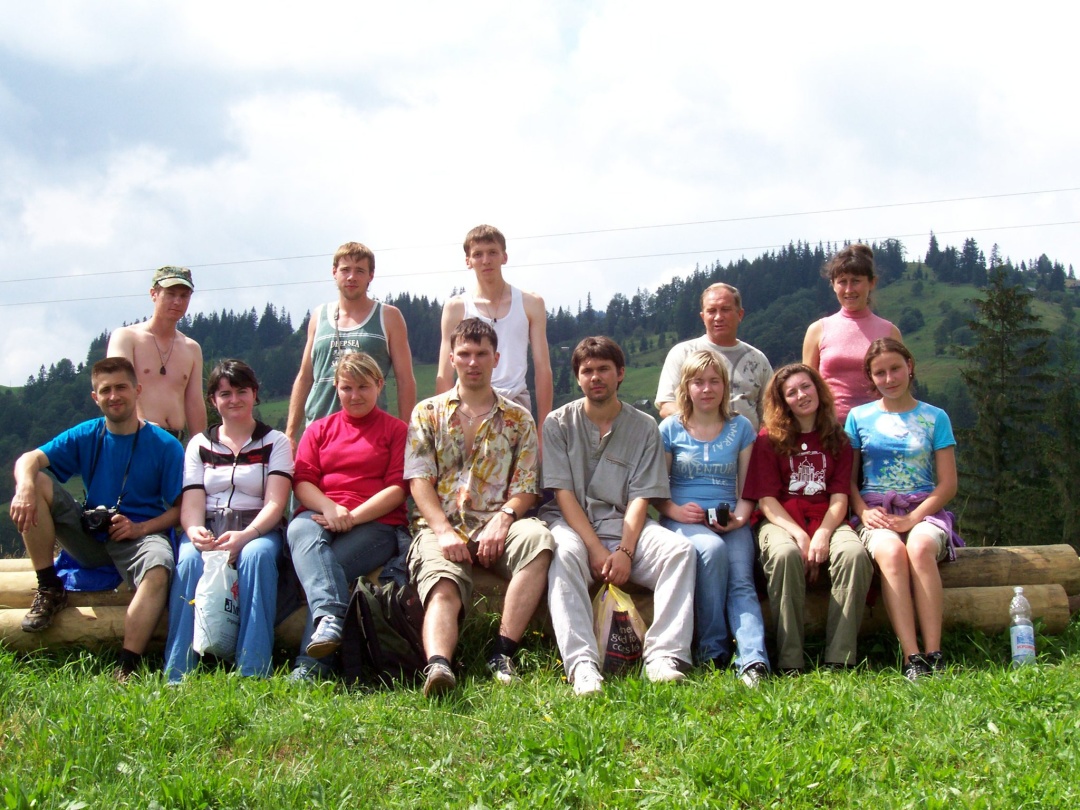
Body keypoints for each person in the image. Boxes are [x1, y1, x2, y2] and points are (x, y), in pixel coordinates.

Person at [8, 357, 182, 680]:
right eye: (106, 390)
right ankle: (49, 588)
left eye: (121, 388)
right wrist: (25, 486)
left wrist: (140, 527)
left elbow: (181, 509)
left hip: (140, 537)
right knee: (37, 484)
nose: (114, 396)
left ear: (137, 390)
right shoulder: (87, 434)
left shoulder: (166, 446)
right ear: (95, 397)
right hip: (92, 535)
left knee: (159, 568)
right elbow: (28, 459)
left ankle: (127, 666)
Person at [407, 318, 554, 697]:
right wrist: (441, 530)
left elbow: (526, 489)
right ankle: (439, 666)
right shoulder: (428, 412)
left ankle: (502, 652)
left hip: (497, 522)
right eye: (465, 354)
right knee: (442, 581)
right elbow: (418, 480)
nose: (473, 362)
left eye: (482, 354)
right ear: (453, 358)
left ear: (496, 358)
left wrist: (504, 520)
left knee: (539, 540)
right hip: (439, 524)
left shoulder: (519, 418)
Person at [542, 336, 695, 696]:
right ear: (578, 378)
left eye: (604, 369)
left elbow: (643, 496)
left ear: (620, 374)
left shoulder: (643, 427)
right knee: (563, 554)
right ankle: (582, 665)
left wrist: (625, 551)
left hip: (625, 524)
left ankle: (663, 657)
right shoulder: (558, 423)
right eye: (587, 371)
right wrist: (595, 550)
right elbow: (562, 494)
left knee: (680, 552)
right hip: (571, 523)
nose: (596, 377)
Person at [164, 360, 293, 682]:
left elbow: (276, 502)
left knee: (257, 557)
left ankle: (253, 668)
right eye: (225, 393)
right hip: (209, 525)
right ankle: (178, 672)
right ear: (213, 400)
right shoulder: (199, 444)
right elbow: (192, 500)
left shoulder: (275, 442)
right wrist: (194, 531)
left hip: (259, 527)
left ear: (255, 395)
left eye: (241, 391)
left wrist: (246, 535)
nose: (234, 399)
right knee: (189, 561)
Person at [845, 338, 962, 681]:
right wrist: (863, 511)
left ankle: (935, 652)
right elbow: (848, 480)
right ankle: (912, 657)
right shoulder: (858, 417)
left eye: (895, 368)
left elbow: (948, 484)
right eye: (879, 372)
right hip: (876, 511)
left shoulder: (935, 417)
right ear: (871, 377)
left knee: (921, 546)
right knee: (892, 553)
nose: (889, 377)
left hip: (924, 509)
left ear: (909, 366)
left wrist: (914, 517)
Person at [743, 363, 872, 673]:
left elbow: (840, 498)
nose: (801, 395)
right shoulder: (767, 439)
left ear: (818, 389)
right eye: (791, 392)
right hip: (780, 520)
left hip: (827, 517)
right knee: (785, 554)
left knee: (854, 555)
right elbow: (767, 501)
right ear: (782, 401)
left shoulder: (837, 439)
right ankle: (790, 660)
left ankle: (839, 658)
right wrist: (800, 536)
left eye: (806, 387)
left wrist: (823, 535)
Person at [287, 352, 409, 679]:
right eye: (346, 388)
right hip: (321, 511)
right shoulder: (319, 430)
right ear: (336, 389)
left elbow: (398, 489)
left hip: (375, 523)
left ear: (379, 385)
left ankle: (311, 666)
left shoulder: (396, 431)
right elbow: (303, 481)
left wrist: (351, 517)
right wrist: (330, 508)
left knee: (328, 570)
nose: (354, 395)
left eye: (363, 387)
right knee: (299, 533)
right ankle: (328, 624)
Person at [654, 350, 770, 686]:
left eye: (714, 381)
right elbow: (657, 489)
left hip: (731, 517)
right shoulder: (670, 429)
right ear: (686, 387)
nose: (706, 389)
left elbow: (749, 487)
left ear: (725, 386)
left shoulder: (741, 427)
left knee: (741, 578)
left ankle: (753, 660)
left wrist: (740, 519)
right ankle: (713, 650)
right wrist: (674, 511)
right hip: (683, 518)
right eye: (698, 382)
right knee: (711, 552)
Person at [286, 241, 416, 451]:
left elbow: (405, 379)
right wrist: (290, 433)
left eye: (360, 271)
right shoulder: (319, 316)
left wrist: (408, 434)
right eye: (345, 270)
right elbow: (305, 376)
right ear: (334, 272)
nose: (351, 277)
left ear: (370, 276)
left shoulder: (388, 316)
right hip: (319, 428)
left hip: (369, 436)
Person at [436, 224, 553, 432]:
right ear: (468, 261)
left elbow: (543, 369)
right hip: (467, 405)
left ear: (504, 257)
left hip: (515, 404)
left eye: (492, 252)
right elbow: (444, 372)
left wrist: (544, 429)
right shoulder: (456, 308)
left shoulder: (531, 303)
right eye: (478, 254)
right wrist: (442, 424)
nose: (486, 260)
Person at [803, 244, 901, 422]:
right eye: (842, 281)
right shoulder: (817, 330)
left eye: (856, 281)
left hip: (878, 428)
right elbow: (806, 387)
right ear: (833, 284)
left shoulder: (890, 332)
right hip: (829, 430)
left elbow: (900, 386)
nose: (849, 289)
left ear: (872, 283)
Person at [107, 266, 206, 439]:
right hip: (132, 436)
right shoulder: (126, 338)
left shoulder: (191, 348)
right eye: (170, 294)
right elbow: (118, 386)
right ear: (154, 294)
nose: (177, 301)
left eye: (184, 296)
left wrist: (202, 449)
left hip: (173, 441)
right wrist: (139, 422)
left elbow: (195, 403)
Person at [655, 283, 772, 430]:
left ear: (740, 314)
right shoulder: (682, 353)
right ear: (703, 317)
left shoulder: (757, 360)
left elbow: (772, 411)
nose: (718, 317)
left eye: (725, 309)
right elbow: (667, 406)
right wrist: (708, 428)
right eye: (711, 311)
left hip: (749, 449)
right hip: (694, 448)